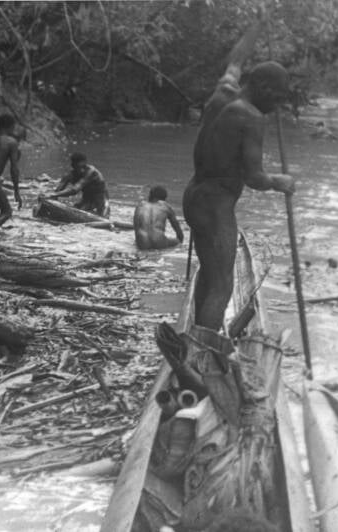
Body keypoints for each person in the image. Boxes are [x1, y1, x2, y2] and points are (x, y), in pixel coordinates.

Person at [183, 19, 294, 331]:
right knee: (223, 286)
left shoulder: (224, 92)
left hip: (194, 195)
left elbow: (236, 59)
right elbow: (255, 178)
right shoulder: (251, 117)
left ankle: (196, 334)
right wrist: (281, 182)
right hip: (216, 206)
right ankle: (205, 352)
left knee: (210, 272)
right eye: (276, 97)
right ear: (261, 88)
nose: (278, 105)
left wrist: (258, 25)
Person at [48, 152, 110, 218]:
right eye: (78, 167)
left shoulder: (91, 172)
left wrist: (55, 194)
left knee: (103, 218)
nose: (81, 170)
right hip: (87, 199)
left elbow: (75, 190)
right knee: (75, 212)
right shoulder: (69, 175)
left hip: (101, 199)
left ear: (86, 164)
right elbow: (57, 191)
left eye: (83, 167)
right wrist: (51, 196)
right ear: (73, 165)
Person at [133, 186, 184, 250]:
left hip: (143, 243)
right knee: (177, 241)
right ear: (164, 199)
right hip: (159, 242)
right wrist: (180, 242)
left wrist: (139, 243)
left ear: (150, 196)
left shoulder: (140, 206)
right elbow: (179, 233)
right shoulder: (165, 206)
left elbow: (136, 229)